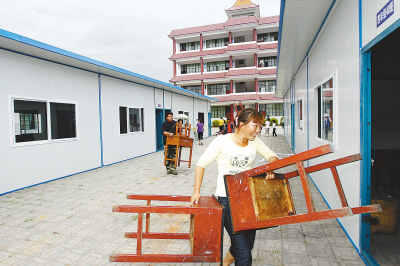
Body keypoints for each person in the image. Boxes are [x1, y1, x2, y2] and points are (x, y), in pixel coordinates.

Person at [190, 108, 279, 266]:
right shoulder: (222, 141)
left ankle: (223, 264)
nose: (258, 130)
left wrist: (270, 167)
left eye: (260, 126)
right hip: (227, 200)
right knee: (244, 254)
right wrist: (196, 191)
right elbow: (201, 164)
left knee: (246, 245)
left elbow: (273, 156)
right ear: (242, 124)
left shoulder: (255, 142)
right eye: (255, 125)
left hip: (248, 200)